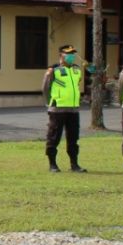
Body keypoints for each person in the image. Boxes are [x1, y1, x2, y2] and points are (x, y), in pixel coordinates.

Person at [42, 44, 87, 173]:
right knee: (54, 136)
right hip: (58, 109)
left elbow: (76, 85)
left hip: (73, 109)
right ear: (61, 55)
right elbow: (45, 88)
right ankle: (52, 164)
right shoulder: (53, 70)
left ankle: (74, 164)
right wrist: (50, 103)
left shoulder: (76, 70)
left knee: (73, 138)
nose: (72, 57)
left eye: (73, 54)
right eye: (69, 54)